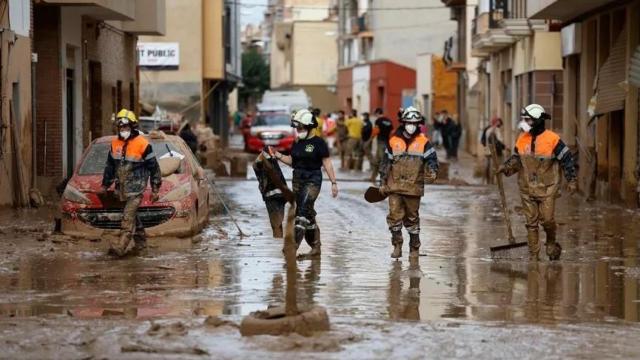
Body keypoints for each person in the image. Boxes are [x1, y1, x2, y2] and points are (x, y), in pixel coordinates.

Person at [496, 104, 578, 261]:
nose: (526, 123)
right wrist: (505, 167)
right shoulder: (522, 139)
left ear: (538, 120)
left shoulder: (553, 139)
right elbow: (516, 160)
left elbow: (567, 160)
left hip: (548, 187)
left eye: (529, 120)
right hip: (526, 187)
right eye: (525, 119)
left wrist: (571, 180)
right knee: (531, 223)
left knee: (547, 219)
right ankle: (534, 256)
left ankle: (551, 240)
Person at [271, 109, 339, 258]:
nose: (298, 130)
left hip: (313, 180)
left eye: (301, 127)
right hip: (298, 179)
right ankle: (316, 247)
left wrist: (333, 183)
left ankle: (292, 246)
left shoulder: (319, 143)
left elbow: (327, 162)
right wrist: (277, 155)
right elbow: (292, 161)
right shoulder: (297, 142)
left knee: (301, 211)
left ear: (309, 127)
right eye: (296, 128)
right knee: (308, 213)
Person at [379, 106, 439, 259]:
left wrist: (432, 171)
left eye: (415, 123)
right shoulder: (393, 141)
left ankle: (414, 248)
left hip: (414, 187)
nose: (412, 126)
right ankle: (397, 245)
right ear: (403, 123)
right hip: (394, 186)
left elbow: (432, 160)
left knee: (412, 219)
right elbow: (385, 163)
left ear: (419, 124)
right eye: (409, 123)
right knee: (394, 217)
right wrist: (382, 182)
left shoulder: (424, 142)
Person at [102, 109, 162, 256]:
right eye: (121, 127)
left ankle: (120, 247)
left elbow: (154, 167)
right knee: (134, 217)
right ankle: (141, 246)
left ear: (133, 127)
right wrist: (105, 185)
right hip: (121, 189)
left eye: (126, 127)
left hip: (136, 189)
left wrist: (155, 189)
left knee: (128, 217)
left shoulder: (143, 144)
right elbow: (110, 166)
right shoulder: (115, 143)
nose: (123, 130)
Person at [370, 108, 393, 183]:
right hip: (387, 142)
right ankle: (373, 177)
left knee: (382, 160)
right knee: (377, 160)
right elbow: (392, 131)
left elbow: (376, 131)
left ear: (377, 113)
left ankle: (385, 178)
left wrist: (370, 139)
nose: (375, 116)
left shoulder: (378, 121)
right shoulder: (389, 121)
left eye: (375, 114)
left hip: (380, 142)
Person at [481, 117, 505, 184]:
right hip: (495, 152)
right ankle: (493, 181)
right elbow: (500, 141)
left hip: (487, 151)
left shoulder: (487, 130)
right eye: (499, 123)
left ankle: (487, 181)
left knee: (487, 166)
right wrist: (503, 146)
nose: (499, 125)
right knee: (495, 166)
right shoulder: (497, 130)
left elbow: (484, 141)